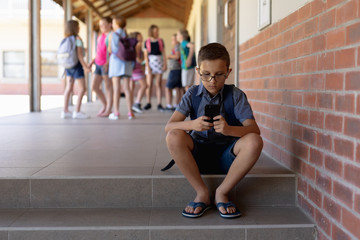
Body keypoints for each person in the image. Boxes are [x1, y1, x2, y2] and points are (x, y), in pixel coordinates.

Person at [165, 43, 263, 218]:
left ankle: (222, 192)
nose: (212, 81)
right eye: (206, 75)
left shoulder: (235, 95)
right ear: (198, 71)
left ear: (228, 72)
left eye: (219, 75)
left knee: (254, 141)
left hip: (229, 158)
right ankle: (201, 192)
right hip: (197, 157)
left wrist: (229, 129)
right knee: (173, 136)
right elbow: (169, 126)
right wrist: (192, 124)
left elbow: (254, 129)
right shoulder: (192, 94)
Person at [61, 20, 91, 119]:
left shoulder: (66, 39)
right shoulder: (77, 38)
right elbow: (79, 55)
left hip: (68, 66)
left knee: (69, 87)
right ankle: (77, 111)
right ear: (76, 28)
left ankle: (65, 111)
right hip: (77, 66)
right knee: (83, 88)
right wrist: (86, 67)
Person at [108, 15, 135, 120]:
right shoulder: (126, 35)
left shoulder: (113, 34)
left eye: (114, 23)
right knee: (127, 88)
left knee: (116, 89)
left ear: (118, 24)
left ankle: (116, 113)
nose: (112, 24)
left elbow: (112, 50)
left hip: (116, 64)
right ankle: (130, 113)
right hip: (127, 64)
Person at [89, 17, 113, 117]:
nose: (102, 27)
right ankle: (105, 105)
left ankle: (108, 109)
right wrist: (93, 61)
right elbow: (99, 51)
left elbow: (113, 52)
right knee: (94, 87)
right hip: (98, 64)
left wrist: (108, 63)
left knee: (108, 87)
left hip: (106, 64)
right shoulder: (100, 36)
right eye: (100, 25)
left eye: (104, 24)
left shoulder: (112, 36)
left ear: (110, 24)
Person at [143, 25, 167, 112]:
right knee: (149, 84)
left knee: (158, 84)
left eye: (157, 30)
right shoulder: (147, 41)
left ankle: (159, 103)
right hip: (150, 63)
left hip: (159, 62)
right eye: (155, 31)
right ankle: (148, 102)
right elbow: (146, 55)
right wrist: (147, 66)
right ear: (151, 31)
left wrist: (165, 64)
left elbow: (163, 53)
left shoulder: (160, 41)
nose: (157, 32)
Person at [129, 32, 147, 114]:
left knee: (131, 88)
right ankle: (137, 103)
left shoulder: (133, 45)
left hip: (131, 69)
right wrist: (144, 62)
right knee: (144, 85)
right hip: (136, 69)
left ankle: (131, 105)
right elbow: (138, 59)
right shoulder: (137, 45)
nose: (141, 37)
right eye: (140, 36)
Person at [165, 33, 183, 111]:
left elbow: (177, 56)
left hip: (175, 69)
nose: (172, 41)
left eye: (174, 39)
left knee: (168, 87)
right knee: (178, 88)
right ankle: (176, 104)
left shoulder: (177, 46)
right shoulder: (178, 46)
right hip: (178, 69)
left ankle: (169, 105)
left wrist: (168, 56)